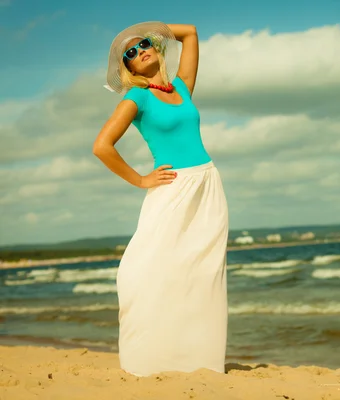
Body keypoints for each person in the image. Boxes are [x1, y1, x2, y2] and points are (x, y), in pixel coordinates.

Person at [93, 21, 229, 377]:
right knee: (147, 267)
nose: (140, 51)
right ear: (129, 68)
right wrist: (140, 179)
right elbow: (102, 146)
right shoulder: (134, 98)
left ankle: (199, 361)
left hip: (207, 183)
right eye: (131, 54)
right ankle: (148, 359)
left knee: (203, 273)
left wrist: (148, 29)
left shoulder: (182, 86)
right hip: (172, 187)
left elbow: (192, 33)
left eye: (143, 45)